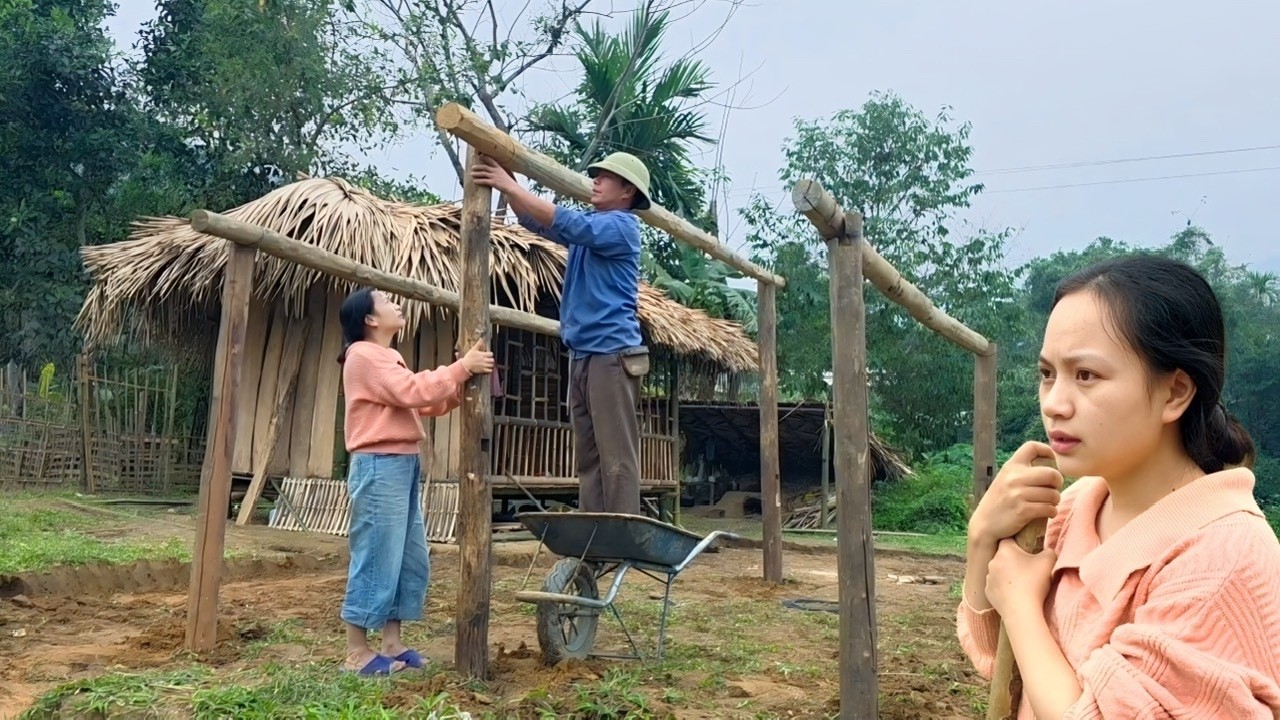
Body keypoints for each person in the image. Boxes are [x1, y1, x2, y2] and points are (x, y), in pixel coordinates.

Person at [959, 255, 1280, 718]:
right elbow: (999, 661)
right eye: (1047, 373)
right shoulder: (1070, 510)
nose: (1054, 404)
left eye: (1086, 375)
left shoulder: (1224, 560)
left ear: (1175, 393)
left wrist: (1022, 608)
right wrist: (982, 538)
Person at [471, 151, 652, 516]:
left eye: (604, 177)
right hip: (584, 355)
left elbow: (564, 221)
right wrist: (509, 182)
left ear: (627, 190)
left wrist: (506, 183)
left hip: (613, 355)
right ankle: (594, 535)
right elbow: (537, 222)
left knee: (615, 455)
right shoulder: (592, 230)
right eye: (595, 175)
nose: (595, 181)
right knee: (588, 454)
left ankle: (620, 531)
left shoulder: (621, 226)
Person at [336, 287, 495, 676]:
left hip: (400, 463)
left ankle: (391, 642)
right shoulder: (364, 356)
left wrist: (460, 382)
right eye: (387, 302)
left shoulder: (386, 356)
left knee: (406, 556)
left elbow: (424, 403)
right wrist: (460, 368)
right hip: (379, 463)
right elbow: (411, 390)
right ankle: (356, 652)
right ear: (370, 320)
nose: (397, 305)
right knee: (375, 553)